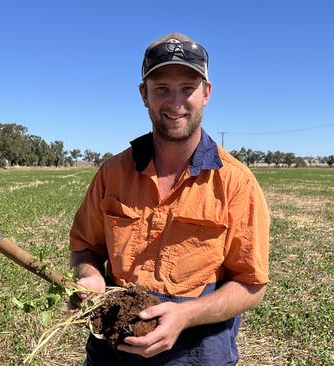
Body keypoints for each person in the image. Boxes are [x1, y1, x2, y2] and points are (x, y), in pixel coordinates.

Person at [69, 32, 270, 365]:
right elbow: (84, 247)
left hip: (198, 352)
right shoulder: (112, 173)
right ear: (144, 95)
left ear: (205, 94)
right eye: (161, 88)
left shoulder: (235, 182)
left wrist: (186, 315)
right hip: (114, 348)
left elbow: (251, 284)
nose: (175, 102)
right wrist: (89, 276)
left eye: (187, 89)